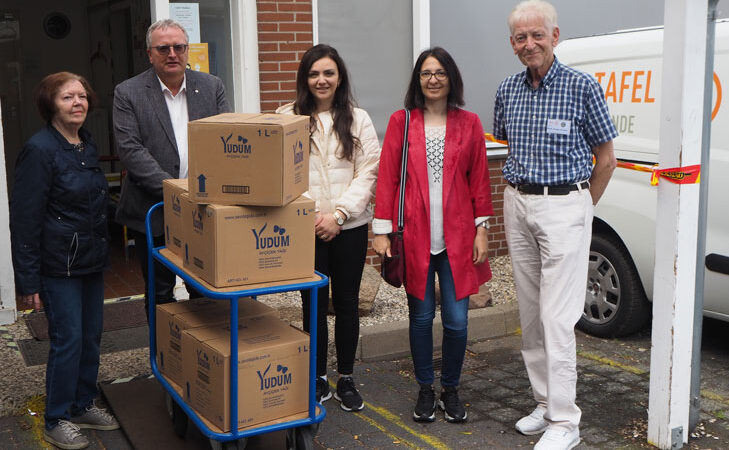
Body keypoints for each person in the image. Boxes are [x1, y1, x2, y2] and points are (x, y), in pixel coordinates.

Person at [493, 1, 618, 448]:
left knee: (557, 317)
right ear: (512, 44)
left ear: (555, 36)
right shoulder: (507, 90)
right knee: (530, 313)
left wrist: (583, 208)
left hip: (565, 204)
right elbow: (510, 145)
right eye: (521, 38)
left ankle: (566, 422)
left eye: (537, 35)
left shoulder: (582, 87)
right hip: (518, 202)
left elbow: (606, 160)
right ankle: (545, 404)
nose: (530, 44)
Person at [373, 47, 493, 424]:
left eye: (440, 72)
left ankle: (451, 389)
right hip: (415, 237)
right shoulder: (402, 121)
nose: (433, 79)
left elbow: (479, 178)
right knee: (421, 320)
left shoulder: (470, 122)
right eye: (426, 73)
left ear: (451, 78)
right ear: (417, 80)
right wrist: (383, 230)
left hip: (458, 236)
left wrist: (481, 229)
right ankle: (426, 389)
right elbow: (389, 176)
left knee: (458, 322)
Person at [10, 72, 119, 450]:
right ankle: (57, 417)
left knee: (91, 337)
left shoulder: (85, 145)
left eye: (82, 96)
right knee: (68, 340)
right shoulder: (39, 150)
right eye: (67, 97)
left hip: (91, 261)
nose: (78, 102)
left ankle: (82, 403)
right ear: (49, 105)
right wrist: (28, 282)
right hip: (59, 266)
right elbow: (25, 220)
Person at [276, 44, 381, 412]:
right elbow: (282, 175)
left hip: (349, 227)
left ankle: (347, 377)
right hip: (307, 227)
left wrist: (337, 216)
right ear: (305, 79)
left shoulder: (358, 118)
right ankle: (317, 377)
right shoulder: (287, 117)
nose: (321, 80)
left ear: (339, 77)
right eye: (314, 73)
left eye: (328, 73)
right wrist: (314, 218)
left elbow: (368, 171)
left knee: (348, 302)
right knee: (313, 303)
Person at [113, 19, 230, 316]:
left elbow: (225, 142)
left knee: (204, 287)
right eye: (163, 48)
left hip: (202, 210)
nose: (172, 54)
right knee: (160, 292)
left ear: (187, 50)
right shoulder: (128, 93)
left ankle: (203, 356)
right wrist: (177, 192)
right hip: (152, 209)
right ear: (150, 53)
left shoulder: (211, 86)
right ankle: (167, 357)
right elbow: (131, 151)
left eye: (179, 47)